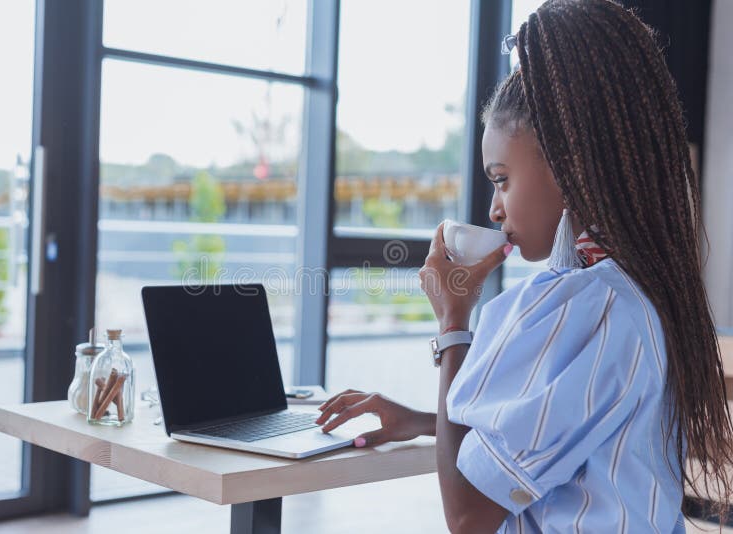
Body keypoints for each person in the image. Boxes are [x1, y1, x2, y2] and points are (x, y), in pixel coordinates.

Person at [314, 1, 733, 532]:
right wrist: (425, 422)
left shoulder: (582, 307)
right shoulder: (633, 289)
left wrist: (452, 323)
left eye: (501, 179)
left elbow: (467, 516)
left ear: (565, 162)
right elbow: (564, 431)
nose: (493, 209)